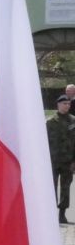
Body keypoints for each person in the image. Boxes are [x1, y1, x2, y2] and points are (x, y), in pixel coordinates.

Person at [47, 94, 75, 224]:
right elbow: (44, 142)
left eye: (68, 104)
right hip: (52, 160)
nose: (67, 106)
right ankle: (51, 213)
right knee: (51, 187)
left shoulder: (73, 121)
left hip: (68, 161)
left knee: (65, 188)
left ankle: (62, 214)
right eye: (64, 104)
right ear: (58, 105)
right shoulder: (50, 122)